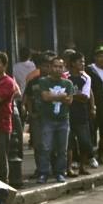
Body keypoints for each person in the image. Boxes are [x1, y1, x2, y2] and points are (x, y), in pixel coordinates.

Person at [31, 55, 74, 183]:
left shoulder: (68, 83)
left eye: (60, 67)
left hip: (63, 119)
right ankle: (43, 173)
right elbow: (45, 97)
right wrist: (62, 96)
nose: (57, 69)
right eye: (55, 66)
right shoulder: (43, 81)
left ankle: (60, 173)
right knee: (45, 148)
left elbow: (70, 100)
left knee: (62, 149)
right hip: (47, 119)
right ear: (50, 67)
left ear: (64, 68)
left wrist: (54, 96)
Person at [0, 52, 20, 184]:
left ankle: (3, 184)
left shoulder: (8, 82)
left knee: (1, 157)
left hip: (2, 124)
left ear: (5, 65)